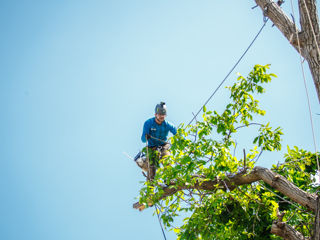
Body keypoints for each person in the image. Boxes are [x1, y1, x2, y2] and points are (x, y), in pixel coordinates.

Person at [141, 102, 177, 180]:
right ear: (155, 115)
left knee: (167, 160)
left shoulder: (168, 125)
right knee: (151, 168)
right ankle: (150, 189)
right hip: (152, 148)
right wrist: (146, 136)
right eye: (160, 114)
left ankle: (169, 180)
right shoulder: (148, 123)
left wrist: (187, 145)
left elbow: (178, 135)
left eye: (163, 115)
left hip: (163, 145)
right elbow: (143, 140)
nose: (161, 116)